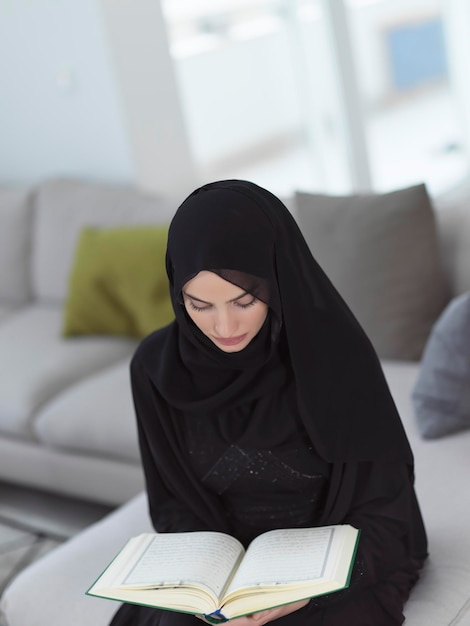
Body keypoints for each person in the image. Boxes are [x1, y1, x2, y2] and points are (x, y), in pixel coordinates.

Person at [110, 179, 427, 626]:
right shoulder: (154, 371)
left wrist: (302, 593)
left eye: (245, 300)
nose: (224, 326)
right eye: (200, 305)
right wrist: (207, 589)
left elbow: (387, 520)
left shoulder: (337, 359)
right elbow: (172, 508)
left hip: (328, 574)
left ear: (277, 281)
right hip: (223, 581)